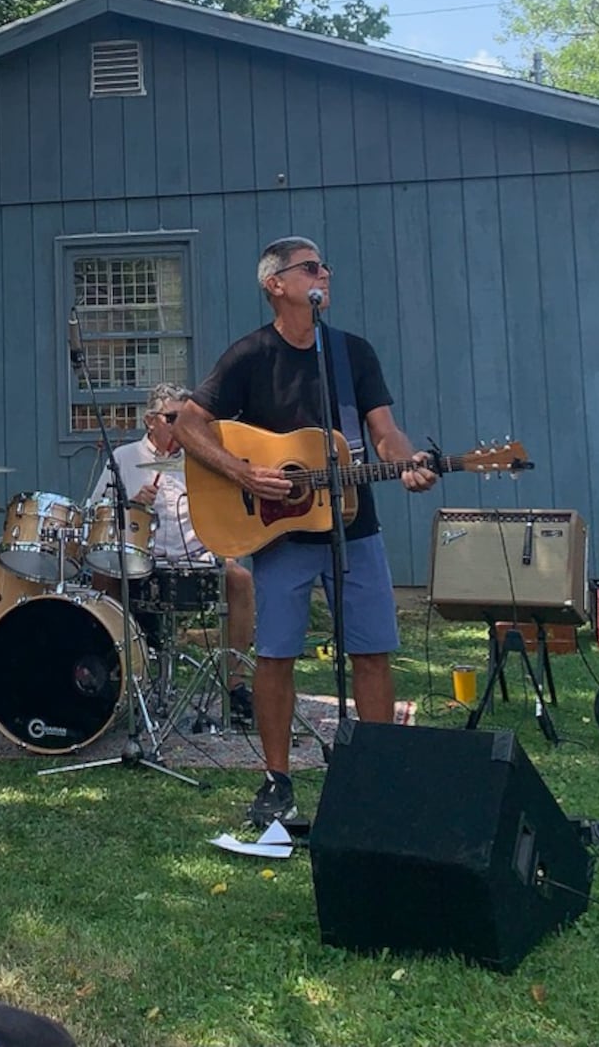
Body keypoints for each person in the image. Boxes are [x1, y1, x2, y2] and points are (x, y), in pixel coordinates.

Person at [172, 237, 436, 826]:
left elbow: (384, 432)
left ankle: (375, 773)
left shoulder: (351, 353)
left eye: (326, 265)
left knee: (371, 651)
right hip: (280, 533)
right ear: (277, 284)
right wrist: (244, 472)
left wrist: (408, 459)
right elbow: (189, 426)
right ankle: (276, 781)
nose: (326, 273)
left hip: (354, 526)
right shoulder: (249, 356)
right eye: (312, 267)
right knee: (277, 655)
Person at [86, 381, 256, 723]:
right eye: (172, 418)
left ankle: (234, 684)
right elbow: (94, 513)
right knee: (102, 574)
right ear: (151, 420)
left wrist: (227, 548)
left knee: (240, 579)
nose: (181, 427)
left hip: (196, 559)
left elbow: (227, 512)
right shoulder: (125, 458)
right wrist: (130, 503)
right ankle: (111, 676)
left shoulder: (201, 458)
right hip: (142, 562)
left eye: (187, 419)